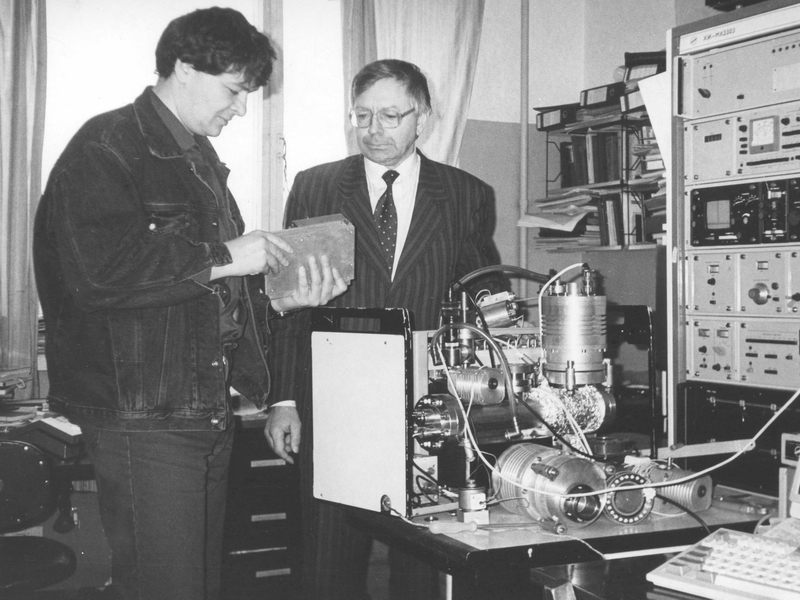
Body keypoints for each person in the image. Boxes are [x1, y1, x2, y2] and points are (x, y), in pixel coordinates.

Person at [32, 8, 348, 600]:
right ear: (183, 67)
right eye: (233, 90)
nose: (242, 108)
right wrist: (228, 255)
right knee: (167, 586)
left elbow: (208, 295)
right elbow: (99, 276)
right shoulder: (106, 147)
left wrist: (283, 301)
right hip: (145, 416)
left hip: (198, 407)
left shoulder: (198, 159)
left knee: (196, 585)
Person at [265, 59, 504, 600]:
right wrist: (284, 399)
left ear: (422, 117)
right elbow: (290, 304)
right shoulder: (316, 186)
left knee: (423, 569)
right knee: (327, 569)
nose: (374, 130)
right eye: (363, 115)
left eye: (391, 116)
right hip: (335, 407)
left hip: (428, 411)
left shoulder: (465, 194)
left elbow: (481, 295)